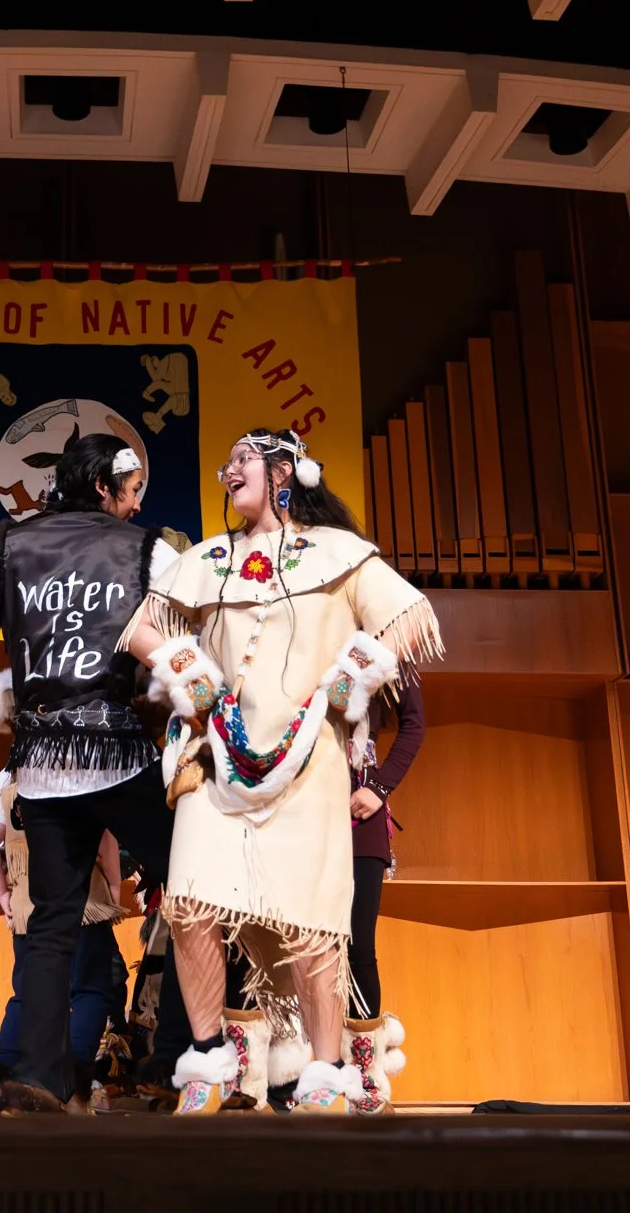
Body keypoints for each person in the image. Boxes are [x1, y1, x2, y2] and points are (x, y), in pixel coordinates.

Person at [123, 428, 442, 1115]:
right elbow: (145, 627)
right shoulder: (207, 558)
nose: (229, 470)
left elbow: (411, 617)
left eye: (244, 459)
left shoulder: (338, 554)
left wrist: (349, 679)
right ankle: (206, 1063)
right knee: (191, 901)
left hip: (310, 760)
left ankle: (324, 1074)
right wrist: (191, 673)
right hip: (218, 758)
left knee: (313, 920)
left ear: (284, 472)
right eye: (227, 462)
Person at [0, 431, 178, 1113]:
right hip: (121, 754)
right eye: (132, 491)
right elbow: (195, 635)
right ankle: (180, 1057)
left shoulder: (9, 544)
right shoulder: (150, 549)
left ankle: (36, 1076)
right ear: (103, 485)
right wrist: (163, 694)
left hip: (41, 766)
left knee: (49, 928)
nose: (136, 504)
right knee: (194, 889)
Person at [0, 769, 127, 1112]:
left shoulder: (13, 788)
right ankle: (72, 1083)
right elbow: (106, 838)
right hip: (81, 903)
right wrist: (114, 889)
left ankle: (1, 1076)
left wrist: (3, 895)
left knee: (27, 992)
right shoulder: (82, 779)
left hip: (28, 908)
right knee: (91, 989)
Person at [342, 679, 425, 1114]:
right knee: (296, 946)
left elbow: (414, 723)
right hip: (298, 805)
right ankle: (291, 1085)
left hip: (359, 809)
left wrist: (379, 787)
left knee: (358, 948)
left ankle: (365, 1082)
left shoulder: (382, 648)